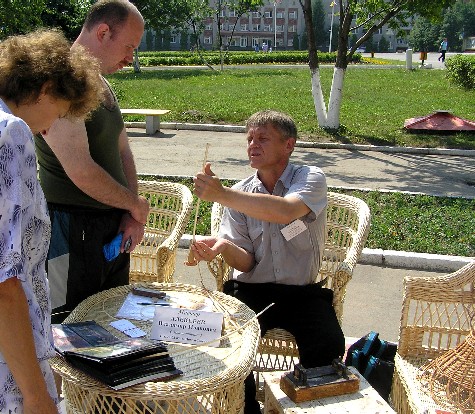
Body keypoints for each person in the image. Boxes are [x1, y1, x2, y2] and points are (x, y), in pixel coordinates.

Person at [187, 110, 345, 413]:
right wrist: (222, 246)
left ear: (289, 145)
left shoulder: (310, 178)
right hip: (252, 291)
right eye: (249, 139)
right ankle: (246, 409)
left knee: (328, 345)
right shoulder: (239, 193)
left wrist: (222, 194)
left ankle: (305, 406)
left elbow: (286, 211)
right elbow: (246, 263)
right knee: (230, 346)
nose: (252, 145)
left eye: (263, 138)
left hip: (301, 293)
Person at [0, 29, 103, 413]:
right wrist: (35, 394)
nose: (49, 128)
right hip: (10, 364)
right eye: (59, 113)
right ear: (44, 88)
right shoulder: (10, 134)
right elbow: (5, 282)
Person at [34, 0, 150, 323]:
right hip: (70, 231)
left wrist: (130, 213)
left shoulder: (100, 83)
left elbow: (123, 151)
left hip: (110, 230)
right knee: (67, 333)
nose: (131, 57)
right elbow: (81, 172)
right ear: (103, 32)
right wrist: (135, 205)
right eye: (129, 47)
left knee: (112, 330)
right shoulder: (60, 83)